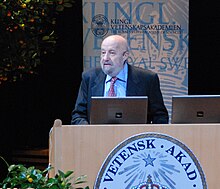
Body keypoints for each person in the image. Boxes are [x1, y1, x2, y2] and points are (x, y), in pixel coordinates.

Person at [71, 35, 169, 124]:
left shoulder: (147, 79)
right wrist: (90, 132)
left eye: (112, 53)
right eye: (103, 53)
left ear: (125, 56)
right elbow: (78, 115)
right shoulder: (89, 77)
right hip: (97, 139)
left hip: (134, 141)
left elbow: (160, 116)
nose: (105, 58)